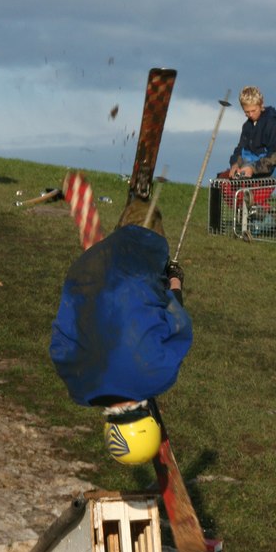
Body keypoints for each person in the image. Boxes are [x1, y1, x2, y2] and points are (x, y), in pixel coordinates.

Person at [50, 195, 191, 465]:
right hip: (91, 268)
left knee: (145, 208)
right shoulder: (77, 384)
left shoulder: (159, 375)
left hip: (140, 258)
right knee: (127, 228)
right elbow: (61, 335)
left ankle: (140, 195)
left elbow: (177, 319)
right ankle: (135, 199)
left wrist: (175, 280)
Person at [227, 86, 276, 180]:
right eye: (247, 112)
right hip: (253, 166)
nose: (250, 115)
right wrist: (235, 164)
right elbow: (241, 148)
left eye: (253, 110)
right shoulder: (247, 126)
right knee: (225, 179)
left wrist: (253, 168)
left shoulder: (273, 123)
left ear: (261, 104)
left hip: (274, 170)